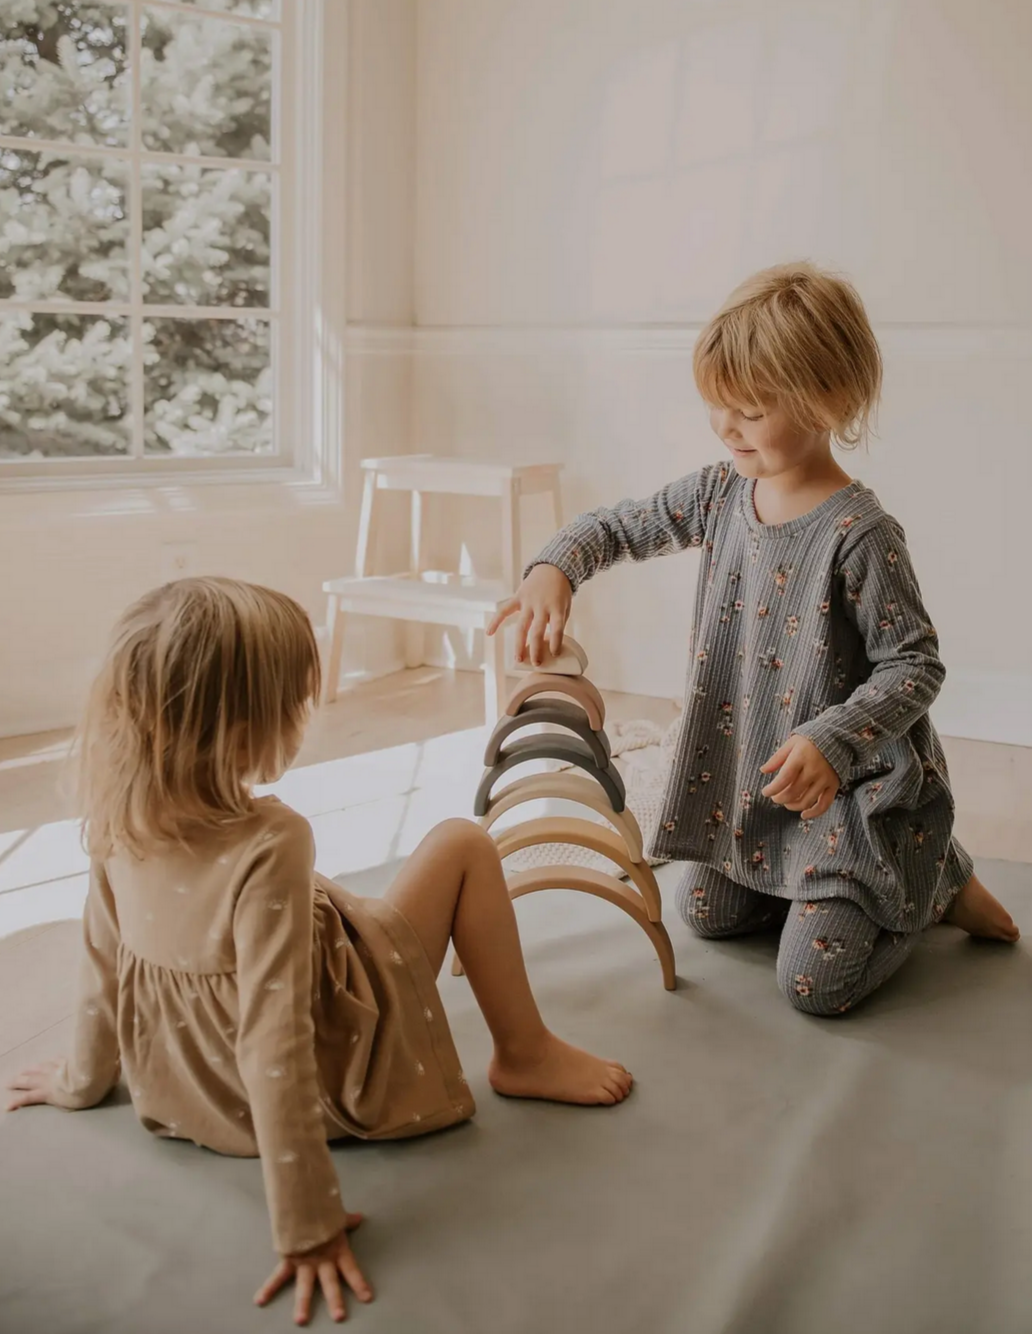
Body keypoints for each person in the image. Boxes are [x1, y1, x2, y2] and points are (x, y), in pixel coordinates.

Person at [5, 578, 631, 1326]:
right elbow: (277, 1039)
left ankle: (515, 1043)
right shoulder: (271, 840)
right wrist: (304, 1228)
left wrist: (82, 1079)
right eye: (297, 702)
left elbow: (102, 966)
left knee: (344, 902)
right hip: (333, 1070)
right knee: (462, 843)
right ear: (244, 732)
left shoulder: (117, 817)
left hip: (194, 1094)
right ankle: (523, 1051)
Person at [489, 262, 1018, 1017]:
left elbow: (915, 667)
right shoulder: (719, 493)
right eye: (717, 406)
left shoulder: (860, 534)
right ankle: (831, 891)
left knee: (813, 987)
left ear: (825, 401)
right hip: (758, 787)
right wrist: (554, 568)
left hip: (845, 796)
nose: (725, 426)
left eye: (748, 409)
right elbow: (616, 526)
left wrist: (833, 741)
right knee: (704, 911)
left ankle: (930, 880)